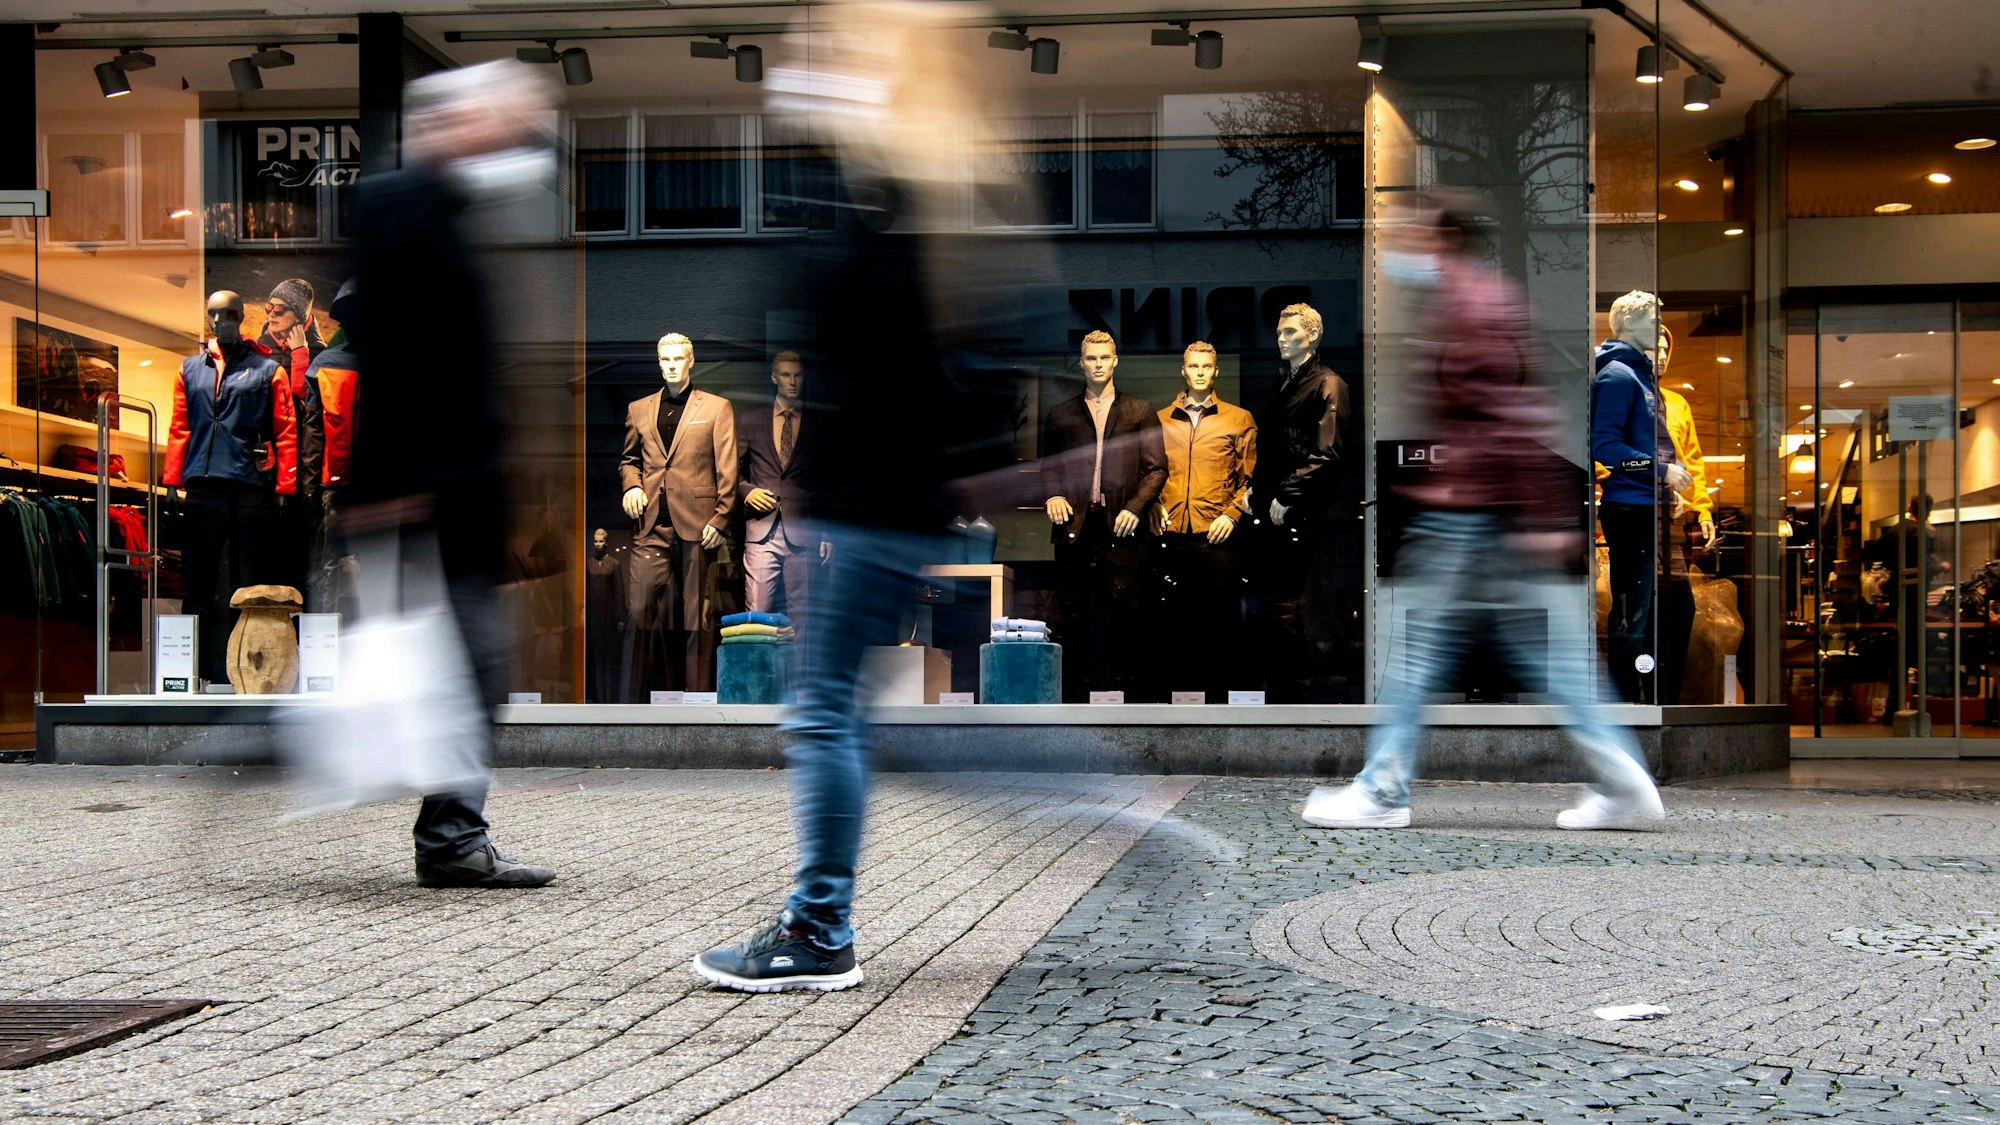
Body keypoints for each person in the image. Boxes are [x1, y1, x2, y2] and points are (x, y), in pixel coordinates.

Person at [693, 0, 1024, 992]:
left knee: (824, 712)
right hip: (881, 499)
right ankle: (1106, 807)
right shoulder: (889, 208)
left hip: (866, 505)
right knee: (842, 713)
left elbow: (844, 344)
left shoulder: (872, 211)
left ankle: (820, 931)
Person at [1302, 196, 1665, 832]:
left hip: (1473, 513)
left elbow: (1509, 415)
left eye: (1412, 235)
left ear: (1443, 239)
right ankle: (1622, 778)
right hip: (1493, 512)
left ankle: (1382, 790)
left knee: (1418, 655)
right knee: (1550, 660)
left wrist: (1541, 516)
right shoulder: (1470, 300)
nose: (1401, 248)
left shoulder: (1468, 303)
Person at [344, 59, 557, 888]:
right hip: (424, 489)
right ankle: (450, 840)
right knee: (465, 665)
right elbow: (396, 360)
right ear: (459, 121)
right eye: (506, 119)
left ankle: (451, 835)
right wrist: (385, 485)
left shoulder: (453, 210)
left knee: (459, 663)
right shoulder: (403, 209)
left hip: (448, 489)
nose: (518, 137)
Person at [1040, 330, 1166, 701]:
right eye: (1090, 358)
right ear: (1081, 363)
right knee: (1073, 614)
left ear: (1115, 361)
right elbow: (1049, 467)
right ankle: (1075, 696)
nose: (1097, 364)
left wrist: (1135, 507)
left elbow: (1157, 467)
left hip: (1121, 528)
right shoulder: (1061, 414)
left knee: (1127, 613)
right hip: (1075, 526)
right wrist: (1054, 495)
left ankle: (1126, 696)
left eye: (1103, 358)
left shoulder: (1139, 410)